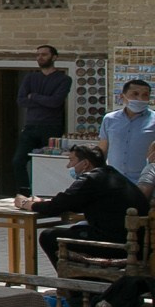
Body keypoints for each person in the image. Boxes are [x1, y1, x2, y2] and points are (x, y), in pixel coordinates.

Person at [16, 144, 149, 270]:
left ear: (85, 163)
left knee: (49, 236)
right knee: (77, 229)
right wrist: (43, 201)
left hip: (118, 245)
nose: (69, 166)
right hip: (138, 244)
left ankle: (74, 286)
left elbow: (56, 207)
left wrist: (26, 204)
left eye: (71, 161)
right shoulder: (112, 174)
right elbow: (72, 201)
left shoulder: (91, 179)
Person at [10, 44, 72, 195]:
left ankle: (50, 192)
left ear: (54, 57)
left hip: (51, 126)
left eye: (44, 54)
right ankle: (24, 191)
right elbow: (22, 101)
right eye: (38, 55)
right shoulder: (31, 77)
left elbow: (56, 102)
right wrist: (43, 100)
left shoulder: (64, 79)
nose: (40, 57)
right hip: (31, 125)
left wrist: (35, 96)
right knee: (18, 160)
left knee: (49, 161)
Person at [97, 79, 154, 192]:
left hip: (145, 184)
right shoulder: (110, 119)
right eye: (135, 94)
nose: (140, 99)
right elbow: (103, 150)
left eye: (145, 95)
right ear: (122, 96)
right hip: (114, 181)